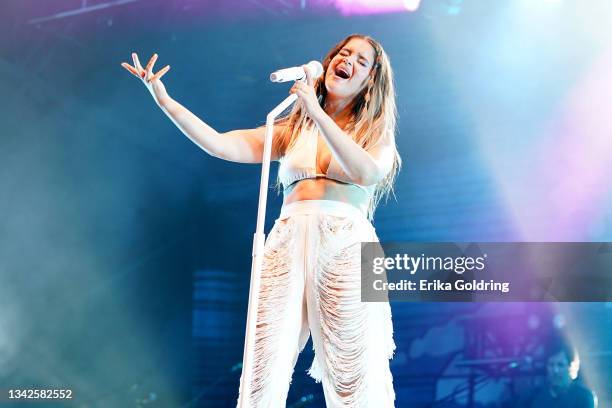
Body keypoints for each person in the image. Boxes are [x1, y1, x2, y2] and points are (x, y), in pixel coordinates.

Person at [121, 34, 400, 407]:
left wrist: (317, 114)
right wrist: (165, 100)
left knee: (352, 369)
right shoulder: (293, 129)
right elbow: (222, 144)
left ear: (369, 81)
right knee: (262, 363)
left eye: (360, 60)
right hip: (287, 239)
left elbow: (366, 173)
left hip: (344, 244)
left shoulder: (375, 134)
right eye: (343, 53)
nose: (347, 59)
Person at [524, 341, 597, 408]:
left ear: (570, 366)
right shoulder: (534, 396)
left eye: (560, 365)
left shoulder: (583, 396)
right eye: (551, 365)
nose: (555, 370)